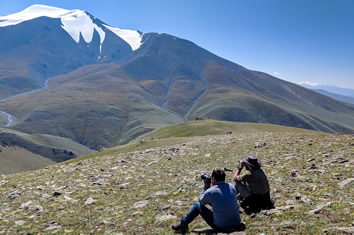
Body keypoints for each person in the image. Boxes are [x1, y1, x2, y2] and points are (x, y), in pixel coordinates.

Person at [172, 168, 244, 233]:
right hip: (236, 222)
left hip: (221, 227)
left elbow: (201, 201)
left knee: (197, 206)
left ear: (213, 179)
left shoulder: (211, 191)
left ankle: (183, 223)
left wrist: (206, 187)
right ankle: (183, 223)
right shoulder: (231, 186)